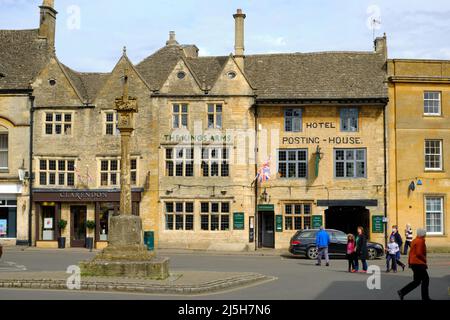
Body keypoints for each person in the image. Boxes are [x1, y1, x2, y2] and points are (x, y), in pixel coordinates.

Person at [398, 228, 431, 300]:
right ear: (423, 234)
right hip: (418, 263)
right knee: (426, 279)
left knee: (417, 281)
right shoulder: (420, 241)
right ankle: (425, 298)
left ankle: (402, 292)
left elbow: (411, 253)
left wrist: (410, 263)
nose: (425, 235)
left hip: (414, 263)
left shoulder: (414, 240)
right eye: (425, 233)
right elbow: (419, 253)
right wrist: (424, 259)